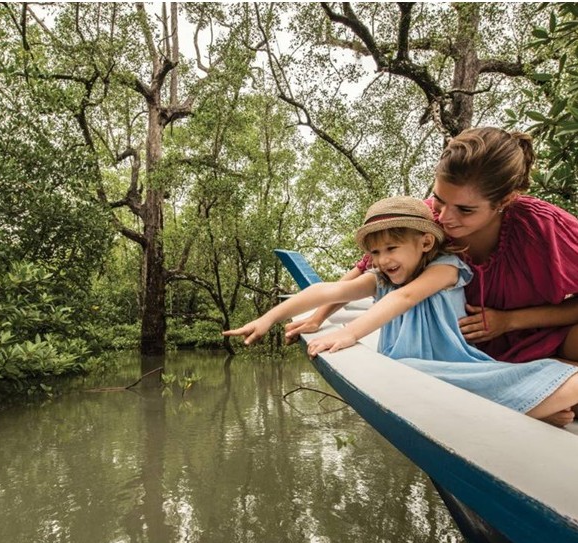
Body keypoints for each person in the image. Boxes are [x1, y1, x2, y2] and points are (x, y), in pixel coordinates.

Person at [224, 196, 578, 426]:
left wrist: (349, 332)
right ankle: (537, 410)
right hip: (412, 371)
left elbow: (405, 299)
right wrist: (268, 317)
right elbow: (330, 289)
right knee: (410, 379)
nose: (381, 261)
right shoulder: (382, 279)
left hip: (451, 365)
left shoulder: (448, 268)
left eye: (391, 248)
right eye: (375, 253)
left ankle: (546, 398)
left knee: (460, 387)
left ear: (424, 242)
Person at [286, 127, 578, 367]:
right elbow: (366, 269)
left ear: (503, 202)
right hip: (462, 354)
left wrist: (511, 321)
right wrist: (317, 317)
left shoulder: (542, 226)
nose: (444, 217)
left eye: (465, 210)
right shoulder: (424, 222)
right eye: (439, 198)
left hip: (541, 335)